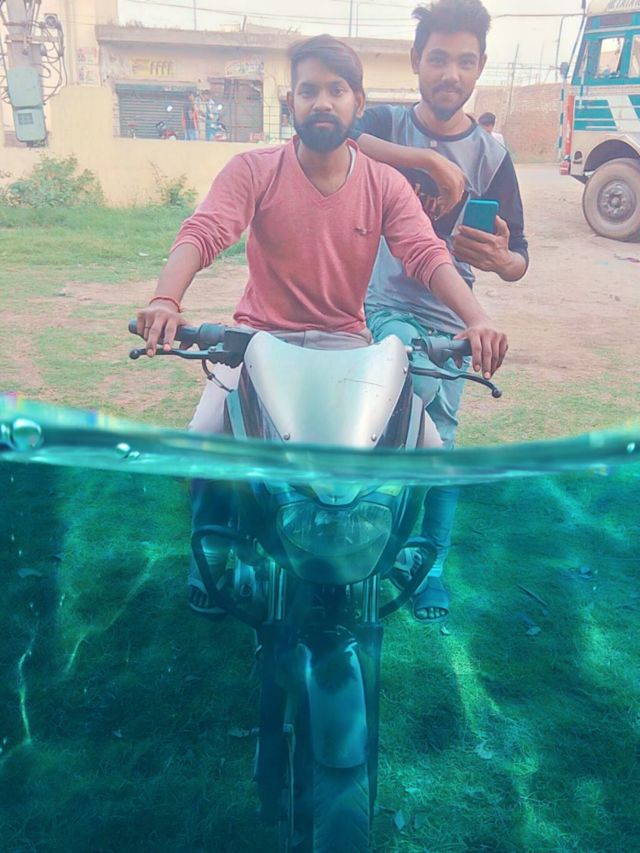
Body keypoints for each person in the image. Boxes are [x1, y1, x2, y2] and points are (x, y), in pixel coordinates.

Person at [134, 34, 508, 616]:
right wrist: (165, 300)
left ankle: (403, 556)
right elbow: (205, 231)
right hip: (258, 341)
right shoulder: (254, 170)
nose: (322, 102)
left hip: (346, 347)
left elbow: (425, 253)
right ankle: (211, 550)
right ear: (292, 103)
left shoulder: (384, 183)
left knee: (428, 451)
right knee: (203, 442)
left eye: (336, 90)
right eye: (308, 90)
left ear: (359, 103)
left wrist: (477, 318)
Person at [353, 0, 529, 622]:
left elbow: (519, 259)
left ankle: (429, 568)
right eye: (438, 58)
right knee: (387, 414)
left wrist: (502, 259)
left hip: (455, 318)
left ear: (479, 67)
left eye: (464, 61)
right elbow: (340, 131)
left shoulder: (493, 155)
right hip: (383, 304)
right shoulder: (386, 123)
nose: (450, 73)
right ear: (416, 61)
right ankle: (369, 549)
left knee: (441, 443)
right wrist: (427, 161)